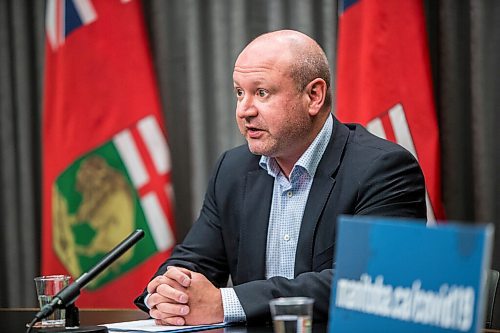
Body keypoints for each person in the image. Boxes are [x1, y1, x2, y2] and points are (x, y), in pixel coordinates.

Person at [134, 29, 426, 325]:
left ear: (314, 96)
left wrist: (226, 303)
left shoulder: (383, 169)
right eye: (239, 92)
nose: (244, 110)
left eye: (261, 92)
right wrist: (167, 293)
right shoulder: (233, 170)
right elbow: (192, 260)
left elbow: (364, 285)